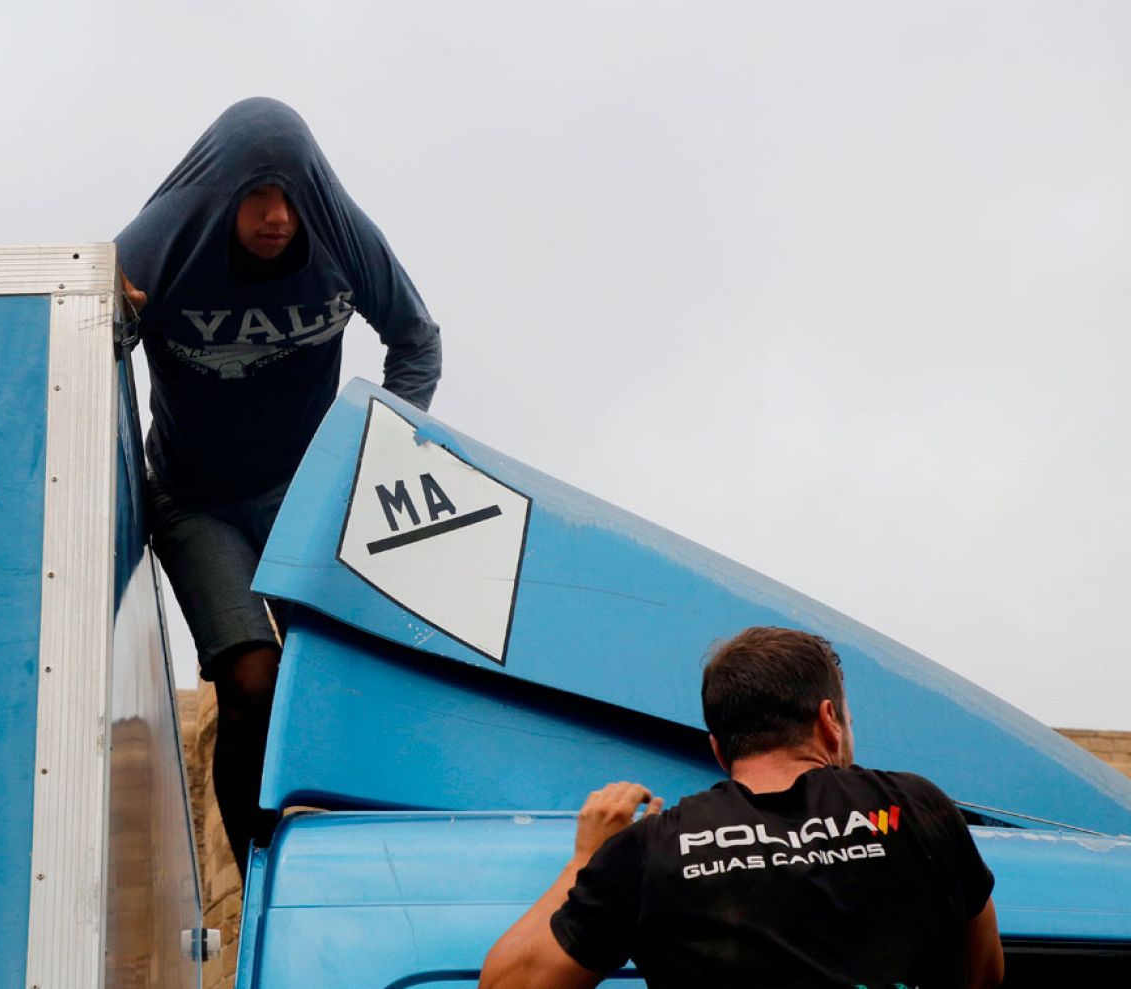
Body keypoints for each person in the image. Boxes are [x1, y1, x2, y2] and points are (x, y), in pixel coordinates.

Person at [115, 97, 442, 872]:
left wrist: (369, 459)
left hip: (303, 488)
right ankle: (265, 870)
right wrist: (118, 319)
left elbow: (416, 341)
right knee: (253, 677)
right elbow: (89, 333)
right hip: (195, 497)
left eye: (292, 194)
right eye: (260, 195)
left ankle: (374, 850)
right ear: (226, 194)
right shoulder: (163, 239)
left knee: (334, 664)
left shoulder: (341, 235)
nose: (278, 215)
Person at [479, 626, 1004, 989]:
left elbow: (507, 984)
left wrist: (584, 860)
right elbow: (983, 973)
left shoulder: (650, 851)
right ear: (828, 721)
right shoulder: (916, 806)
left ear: (718, 747)